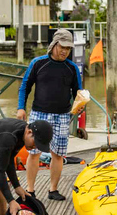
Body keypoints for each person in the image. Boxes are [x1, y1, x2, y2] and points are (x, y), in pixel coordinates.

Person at [17, 29, 81, 201]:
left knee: (58, 154)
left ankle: (53, 190)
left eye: (68, 48)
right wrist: (21, 108)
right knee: (34, 152)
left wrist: (80, 106)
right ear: (54, 45)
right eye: (62, 47)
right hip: (39, 114)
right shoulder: (38, 63)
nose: (65, 51)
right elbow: (25, 86)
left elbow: (78, 93)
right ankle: (30, 190)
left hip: (62, 115)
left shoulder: (72, 68)